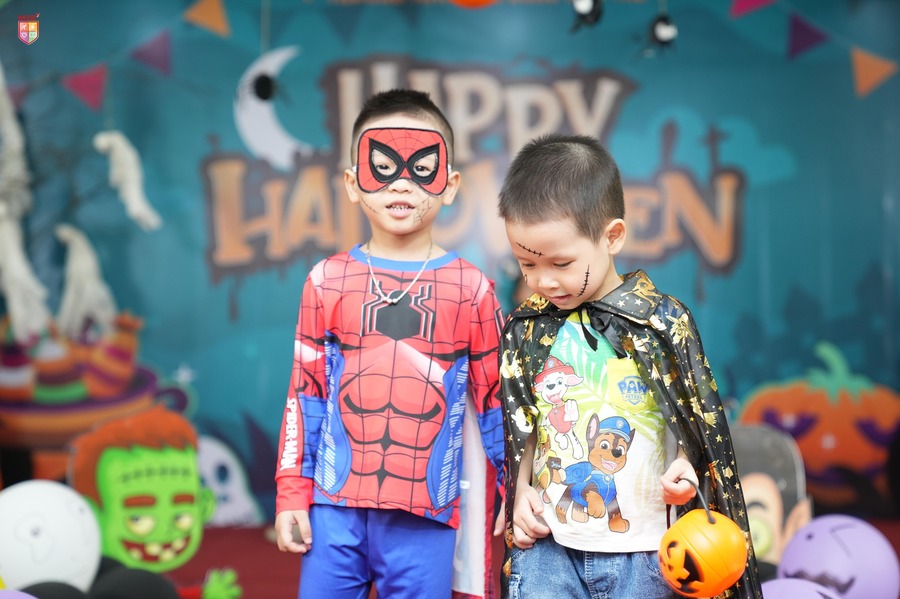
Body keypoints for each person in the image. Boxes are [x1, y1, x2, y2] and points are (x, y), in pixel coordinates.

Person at [496, 134, 762, 598]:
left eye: (562, 262)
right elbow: (522, 424)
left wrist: (688, 467)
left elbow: (697, 422)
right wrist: (519, 493)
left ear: (613, 236)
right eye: (527, 265)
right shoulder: (526, 327)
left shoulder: (661, 322)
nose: (544, 281)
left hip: (647, 552)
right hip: (550, 545)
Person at [273, 89, 506, 599]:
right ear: (353, 183)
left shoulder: (472, 289)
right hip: (333, 508)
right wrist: (292, 491)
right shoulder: (326, 280)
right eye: (382, 168)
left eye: (422, 168)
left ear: (450, 185)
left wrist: (513, 484)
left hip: (427, 514)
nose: (402, 182)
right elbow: (305, 395)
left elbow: (496, 400)